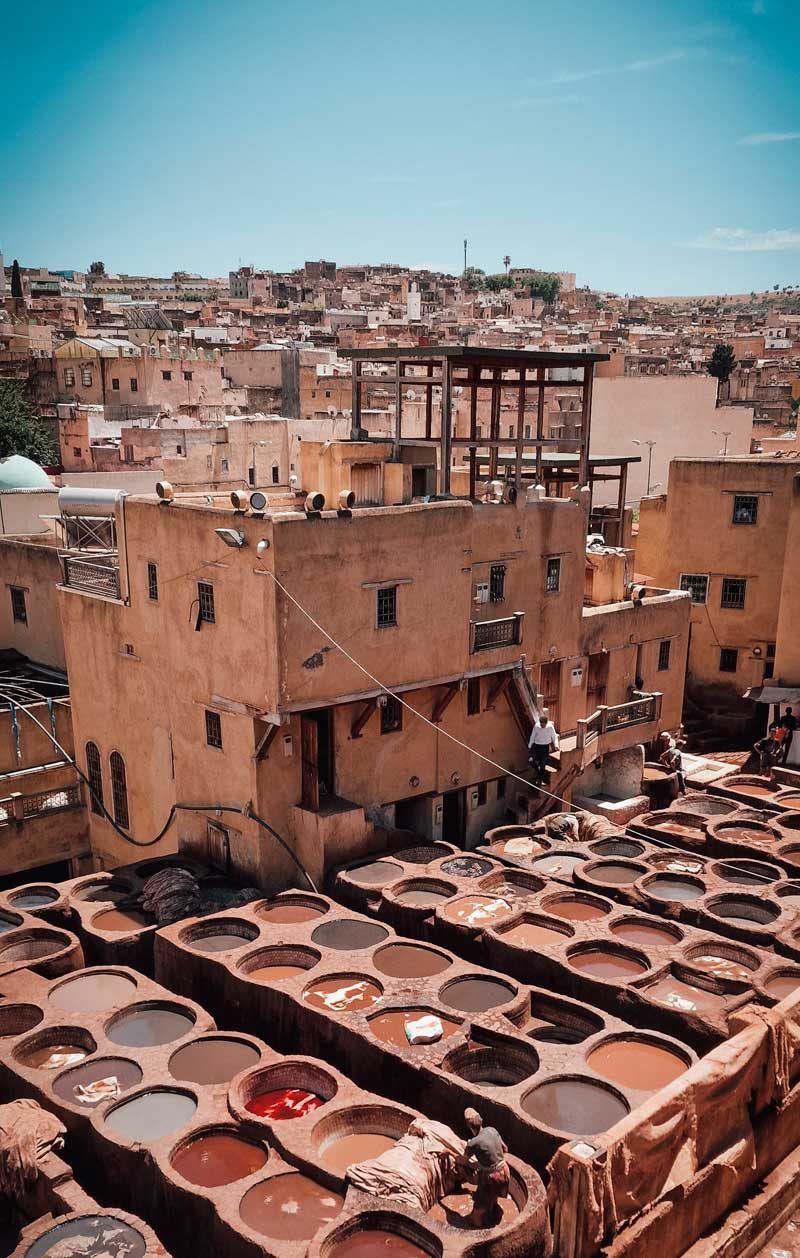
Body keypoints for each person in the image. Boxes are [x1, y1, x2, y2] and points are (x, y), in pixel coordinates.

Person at [463, 1108, 509, 1227]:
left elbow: (464, 1161)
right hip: (505, 1171)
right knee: (492, 1198)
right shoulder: (492, 1130)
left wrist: (449, 1153)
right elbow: (505, 1149)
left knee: (475, 1216)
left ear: (469, 1126)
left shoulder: (473, 1143)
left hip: (492, 1178)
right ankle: (493, 1213)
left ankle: (479, 1234)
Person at [528, 710, 559, 785]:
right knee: (531, 761)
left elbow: (554, 737)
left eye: (543, 725)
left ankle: (539, 779)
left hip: (545, 747)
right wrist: (530, 745)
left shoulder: (550, 727)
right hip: (536, 746)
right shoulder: (537, 726)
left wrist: (556, 745)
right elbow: (533, 736)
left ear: (546, 723)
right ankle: (538, 771)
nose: (542, 726)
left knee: (542, 765)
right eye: (541, 724)